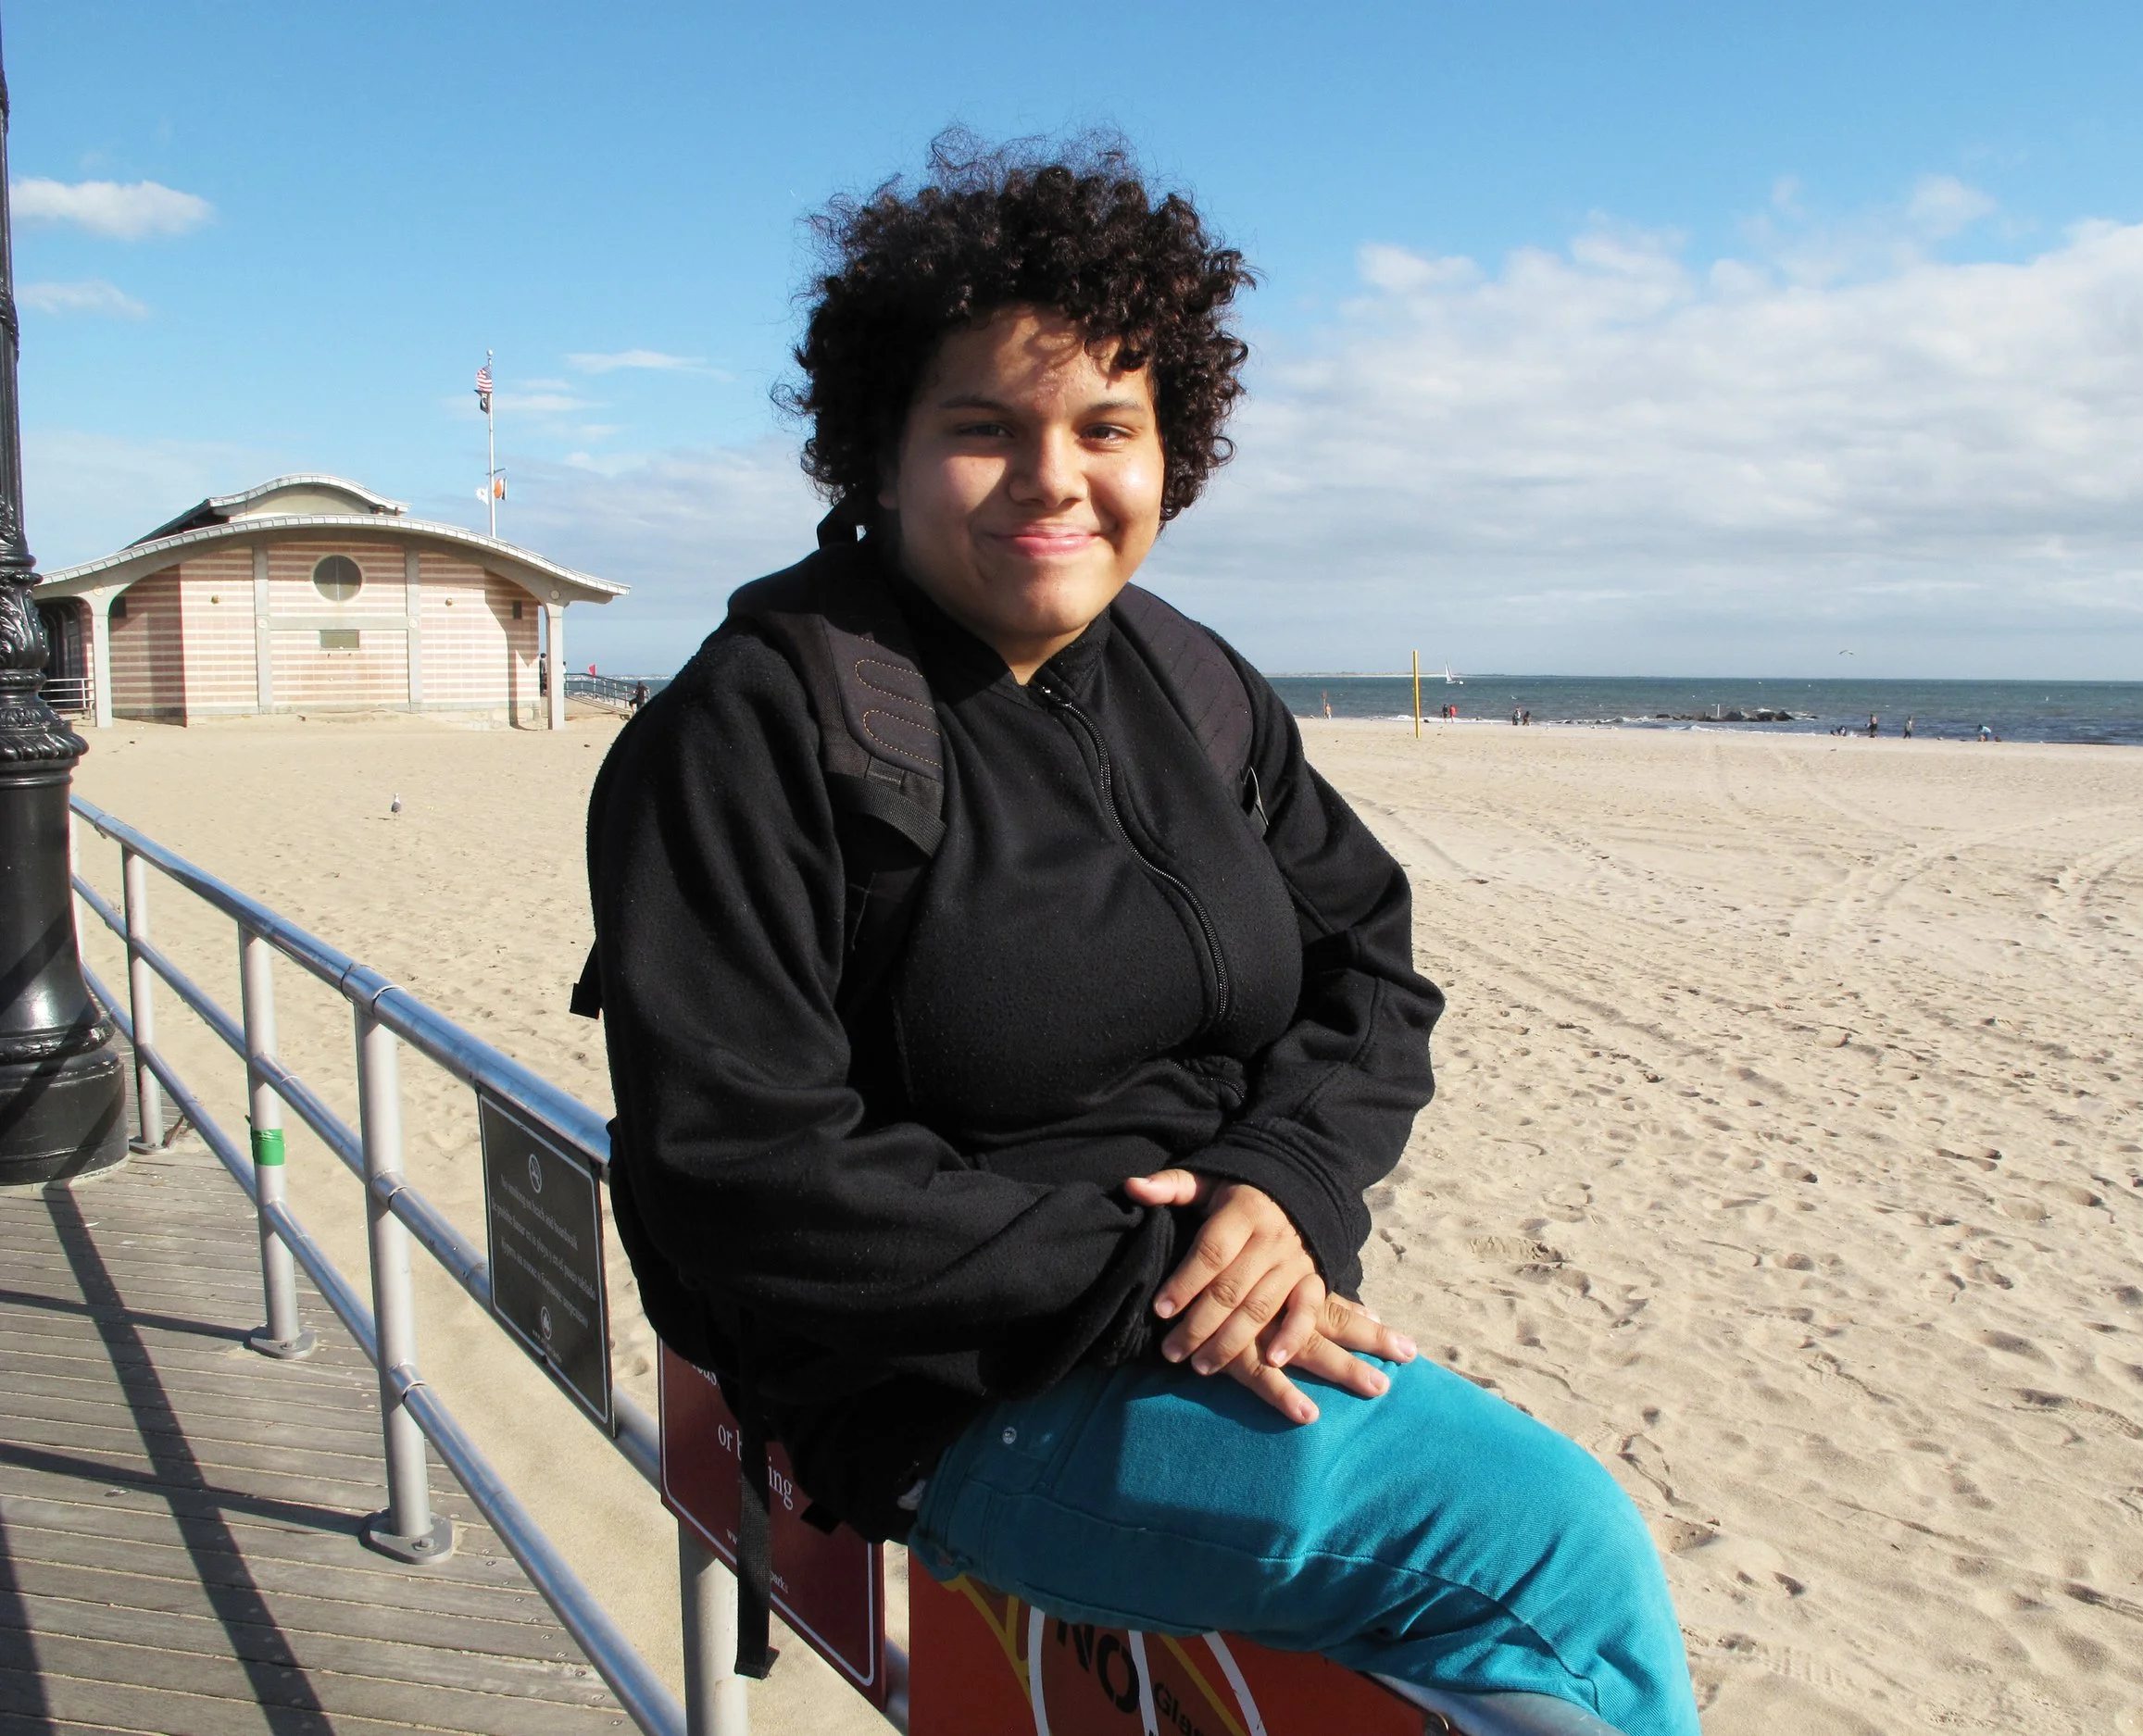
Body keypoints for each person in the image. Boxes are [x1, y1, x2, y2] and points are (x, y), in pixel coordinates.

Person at [586, 139, 1695, 1736]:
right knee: (1541, 1551)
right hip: (950, 1392)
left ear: (1173, 452)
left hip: (1214, 1308)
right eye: (983, 428)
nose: (1055, 476)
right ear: (878, 453)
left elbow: (1370, 961)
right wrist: (1161, 1273)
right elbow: (737, 1160)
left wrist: (1286, 1187)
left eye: (1108, 427)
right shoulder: (759, 725)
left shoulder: (1188, 679)